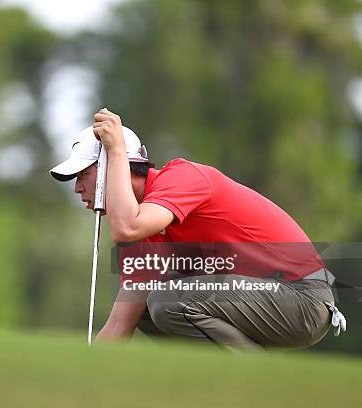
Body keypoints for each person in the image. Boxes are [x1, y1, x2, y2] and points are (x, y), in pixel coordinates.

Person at [49, 108, 346, 350]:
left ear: (118, 167)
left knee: (167, 301)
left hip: (303, 297)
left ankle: (260, 384)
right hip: (265, 299)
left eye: (84, 174)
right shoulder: (143, 239)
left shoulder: (181, 177)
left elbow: (126, 227)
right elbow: (118, 327)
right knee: (144, 310)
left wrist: (114, 151)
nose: (77, 188)